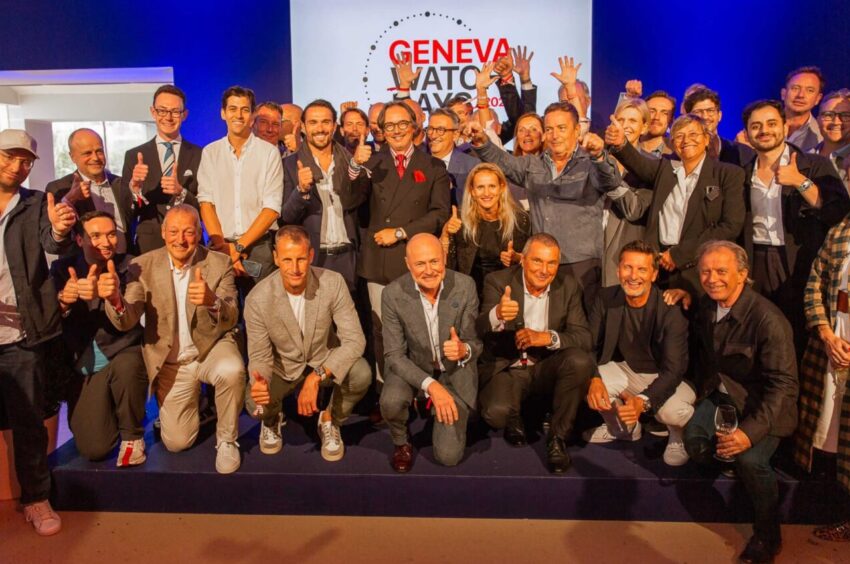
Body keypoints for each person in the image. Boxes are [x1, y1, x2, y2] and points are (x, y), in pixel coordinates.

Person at [103, 205, 245, 474]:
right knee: (177, 443)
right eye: (174, 232)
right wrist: (115, 302)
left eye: (189, 232)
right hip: (171, 363)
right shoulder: (142, 266)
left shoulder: (219, 262)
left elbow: (231, 317)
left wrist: (212, 301)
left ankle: (227, 439)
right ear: (163, 232)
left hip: (210, 349)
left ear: (199, 233)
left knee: (232, 369)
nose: (181, 240)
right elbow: (127, 319)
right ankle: (198, 406)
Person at [683, 240, 798, 564]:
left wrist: (748, 434)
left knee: (750, 461)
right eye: (705, 272)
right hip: (723, 396)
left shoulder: (768, 319)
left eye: (721, 271)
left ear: (743, 274)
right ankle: (730, 461)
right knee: (695, 442)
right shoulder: (707, 307)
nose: (712, 279)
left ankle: (767, 535)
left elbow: (784, 386)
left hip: (764, 405)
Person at [0, 128, 76, 535]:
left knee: (28, 420)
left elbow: (53, 243)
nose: (17, 166)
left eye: (25, 160)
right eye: (8, 157)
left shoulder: (34, 205)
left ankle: (35, 499)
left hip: (21, 333)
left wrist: (60, 228)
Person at [470, 101, 620, 306]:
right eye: (549, 129)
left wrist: (600, 156)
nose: (554, 135)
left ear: (577, 130)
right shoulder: (533, 164)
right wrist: (482, 143)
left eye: (561, 128)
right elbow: (504, 162)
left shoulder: (591, 162)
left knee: (582, 321)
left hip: (581, 264)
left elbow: (611, 182)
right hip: (542, 264)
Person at [343, 100, 450, 380]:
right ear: (381, 130)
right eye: (389, 125)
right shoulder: (371, 163)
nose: (396, 130)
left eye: (402, 124)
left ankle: (422, 388)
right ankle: (386, 388)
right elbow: (349, 201)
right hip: (379, 261)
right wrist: (354, 165)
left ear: (414, 127)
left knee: (419, 329)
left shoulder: (433, 166)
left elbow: (440, 213)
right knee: (382, 330)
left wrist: (401, 232)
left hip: (419, 262)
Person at [245, 226, 370, 461]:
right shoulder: (257, 298)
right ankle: (271, 419)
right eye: (287, 260)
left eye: (301, 259)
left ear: (311, 255)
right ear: (275, 258)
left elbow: (355, 340)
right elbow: (260, 356)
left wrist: (316, 377)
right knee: (255, 406)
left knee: (361, 373)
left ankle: (330, 419)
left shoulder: (333, 283)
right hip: (282, 368)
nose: (295, 268)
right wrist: (259, 382)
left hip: (323, 361)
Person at [476, 234, 594, 473]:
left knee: (579, 362)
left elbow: (583, 337)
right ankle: (520, 412)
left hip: (546, 367)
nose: (544, 270)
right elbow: (478, 328)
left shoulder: (568, 286)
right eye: (537, 261)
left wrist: (548, 337)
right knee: (496, 414)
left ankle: (557, 438)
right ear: (523, 260)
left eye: (551, 263)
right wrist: (497, 314)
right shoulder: (497, 281)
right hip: (509, 368)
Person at [738, 99, 848, 350]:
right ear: (747, 133)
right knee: (758, 331)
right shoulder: (743, 172)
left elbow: (837, 212)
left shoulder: (814, 164)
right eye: (756, 126)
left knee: (795, 333)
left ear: (785, 127)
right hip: (756, 259)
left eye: (771, 123)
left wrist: (800, 181)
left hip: (798, 260)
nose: (764, 131)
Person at [606, 113, 745, 296]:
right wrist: (620, 143)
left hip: (699, 266)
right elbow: (638, 164)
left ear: (706, 139)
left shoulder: (728, 174)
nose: (686, 140)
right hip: (659, 263)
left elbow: (730, 226)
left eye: (693, 134)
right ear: (672, 144)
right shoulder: (665, 169)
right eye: (679, 136)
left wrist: (678, 255)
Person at [585, 240, 694, 466]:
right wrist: (594, 379)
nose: (633, 276)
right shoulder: (606, 298)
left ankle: (677, 435)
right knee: (581, 375)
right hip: (629, 370)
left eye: (642, 269)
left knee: (671, 413)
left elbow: (674, 370)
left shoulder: (670, 308)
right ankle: (623, 429)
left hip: (669, 377)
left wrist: (642, 402)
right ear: (618, 270)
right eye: (628, 267)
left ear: (654, 275)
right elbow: (588, 346)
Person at [50, 211, 146, 466]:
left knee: (129, 364)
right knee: (94, 448)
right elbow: (48, 321)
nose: (105, 242)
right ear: (79, 240)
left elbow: (131, 317)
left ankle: (132, 434)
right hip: (84, 363)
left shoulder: (130, 265)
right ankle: (109, 409)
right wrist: (64, 301)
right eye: (95, 236)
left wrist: (115, 299)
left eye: (111, 234)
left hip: (123, 352)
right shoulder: (62, 270)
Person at [379, 234, 480, 471]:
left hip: (453, 372)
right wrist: (432, 387)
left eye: (434, 261)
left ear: (444, 257)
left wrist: (463, 350)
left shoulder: (465, 286)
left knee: (448, 457)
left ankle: (452, 414)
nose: (429, 270)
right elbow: (394, 355)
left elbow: (475, 342)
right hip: (413, 366)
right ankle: (401, 441)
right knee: (391, 402)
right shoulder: (392, 294)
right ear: (408, 264)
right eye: (420, 264)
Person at [794, 213, 850, 542]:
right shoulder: (841, 231)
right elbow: (814, 285)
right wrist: (827, 334)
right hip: (834, 347)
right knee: (832, 437)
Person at [197, 85, 284, 292]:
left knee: (261, 308)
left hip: (258, 247)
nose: (238, 115)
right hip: (220, 245)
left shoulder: (269, 153)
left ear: (252, 116)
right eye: (233, 109)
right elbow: (206, 202)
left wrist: (238, 247)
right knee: (221, 307)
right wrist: (223, 248)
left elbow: (272, 208)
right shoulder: (211, 152)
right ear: (223, 113)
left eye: (245, 110)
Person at [281, 100, 360, 291]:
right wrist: (301, 190)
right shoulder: (289, 165)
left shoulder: (351, 162)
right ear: (303, 126)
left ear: (334, 126)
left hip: (349, 258)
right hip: (313, 257)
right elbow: (287, 217)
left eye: (326, 122)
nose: (320, 128)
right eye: (313, 122)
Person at [121, 84, 203, 254]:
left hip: (189, 243)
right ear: (153, 112)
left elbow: (206, 207)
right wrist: (135, 188)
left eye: (175, 111)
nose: (168, 117)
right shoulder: (134, 155)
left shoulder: (200, 154)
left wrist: (181, 193)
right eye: (162, 111)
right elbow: (126, 212)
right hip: (149, 245)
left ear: (184, 115)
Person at [441, 163, 530, 297]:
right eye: (480, 187)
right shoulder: (459, 220)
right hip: (469, 293)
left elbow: (530, 261)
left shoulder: (520, 220)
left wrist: (517, 258)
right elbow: (447, 265)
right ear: (472, 191)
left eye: (492, 186)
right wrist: (446, 234)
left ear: (501, 188)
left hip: (506, 291)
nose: (486, 193)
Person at [46, 128, 130, 253]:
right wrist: (69, 199)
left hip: (128, 261)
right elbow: (52, 244)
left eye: (99, 151)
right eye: (87, 153)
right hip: (84, 263)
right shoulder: (59, 189)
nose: (95, 158)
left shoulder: (121, 184)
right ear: (72, 157)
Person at [601, 98, 655, 287]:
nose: (625, 125)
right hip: (589, 250)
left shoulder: (651, 165)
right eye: (620, 120)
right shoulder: (598, 156)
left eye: (632, 121)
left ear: (644, 127)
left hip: (623, 255)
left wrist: (607, 175)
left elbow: (634, 209)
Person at [683, 87, 755, 167]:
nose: (705, 116)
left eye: (710, 110)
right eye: (698, 112)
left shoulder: (742, 153)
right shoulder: (680, 153)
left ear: (719, 115)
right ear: (687, 118)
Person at [426, 108, 480, 206]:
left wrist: (451, 190)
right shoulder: (417, 163)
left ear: (455, 135)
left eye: (440, 130)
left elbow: (477, 202)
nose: (433, 135)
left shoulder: (471, 166)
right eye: (430, 129)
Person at [812, 89, 850, 190]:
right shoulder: (803, 157)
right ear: (818, 120)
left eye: (845, 116)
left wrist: (801, 183)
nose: (836, 122)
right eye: (828, 115)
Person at [782, 66, 826, 152]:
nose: (801, 95)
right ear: (783, 94)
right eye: (795, 88)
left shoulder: (821, 137)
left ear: (818, 98)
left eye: (810, 90)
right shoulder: (761, 125)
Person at [642, 90, 676, 157]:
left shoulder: (676, 153)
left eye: (664, 113)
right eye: (652, 111)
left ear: (671, 120)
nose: (656, 117)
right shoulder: (627, 145)